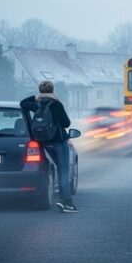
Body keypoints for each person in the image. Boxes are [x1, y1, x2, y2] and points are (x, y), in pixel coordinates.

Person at [20, 80, 78, 213]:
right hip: (59, 142)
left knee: (59, 168)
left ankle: (64, 199)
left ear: (40, 91)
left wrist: (35, 97)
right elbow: (66, 123)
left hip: (45, 143)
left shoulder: (37, 104)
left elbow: (22, 103)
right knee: (63, 171)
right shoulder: (56, 104)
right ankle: (67, 202)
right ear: (52, 90)